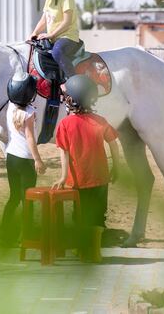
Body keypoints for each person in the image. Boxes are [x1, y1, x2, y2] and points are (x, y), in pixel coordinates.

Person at [51, 74, 120, 262]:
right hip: (101, 178)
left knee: (79, 217)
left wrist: (64, 177)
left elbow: (63, 152)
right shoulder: (100, 120)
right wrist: (117, 166)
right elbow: (114, 144)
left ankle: (81, 250)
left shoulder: (65, 124)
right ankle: (96, 252)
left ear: (72, 100)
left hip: (78, 181)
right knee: (98, 216)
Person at [0, 71, 47, 245]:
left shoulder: (10, 107)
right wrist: (38, 160)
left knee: (13, 198)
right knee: (28, 199)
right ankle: (26, 235)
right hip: (25, 160)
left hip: (11, 156)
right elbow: (30, 138)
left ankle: (4, 232)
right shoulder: (29, 113)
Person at [28, 0, 81, 82]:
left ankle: (74, 81)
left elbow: (66, 22)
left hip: (68, 38)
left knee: (57, 52)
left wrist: (50, 34)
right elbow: (44, 20)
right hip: (54, 38)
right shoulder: (49, 1)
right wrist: (34, 33)